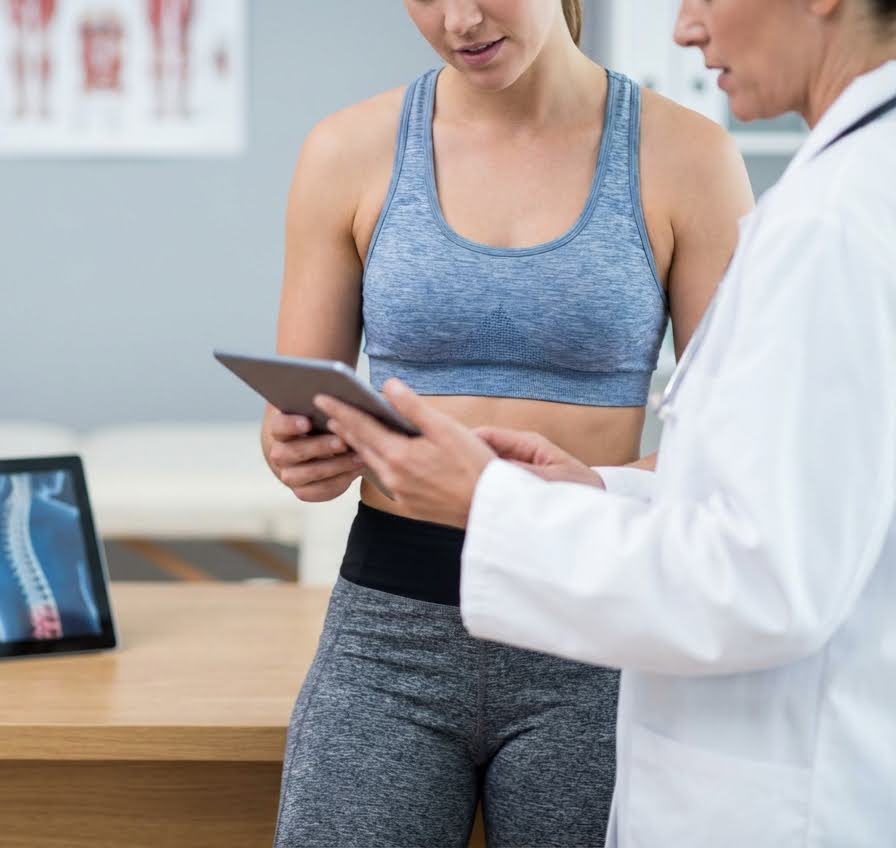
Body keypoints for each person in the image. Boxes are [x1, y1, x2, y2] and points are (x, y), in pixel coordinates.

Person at [316, 0, 896, 845]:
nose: (684, 28)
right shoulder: (841, 192)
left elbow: (769, 576)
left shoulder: (833, 215)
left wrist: (498, 507)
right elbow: (763, 488)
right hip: (403, 599)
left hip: (741, 739)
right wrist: (599, 489)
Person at [263, 1, 752, 845]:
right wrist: (297, 452)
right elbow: (305, 412)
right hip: (390, 626)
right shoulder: (346, 152)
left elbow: (735, 454)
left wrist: (594, 485)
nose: (460, 19)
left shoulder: (688, 157)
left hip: (594, 620)